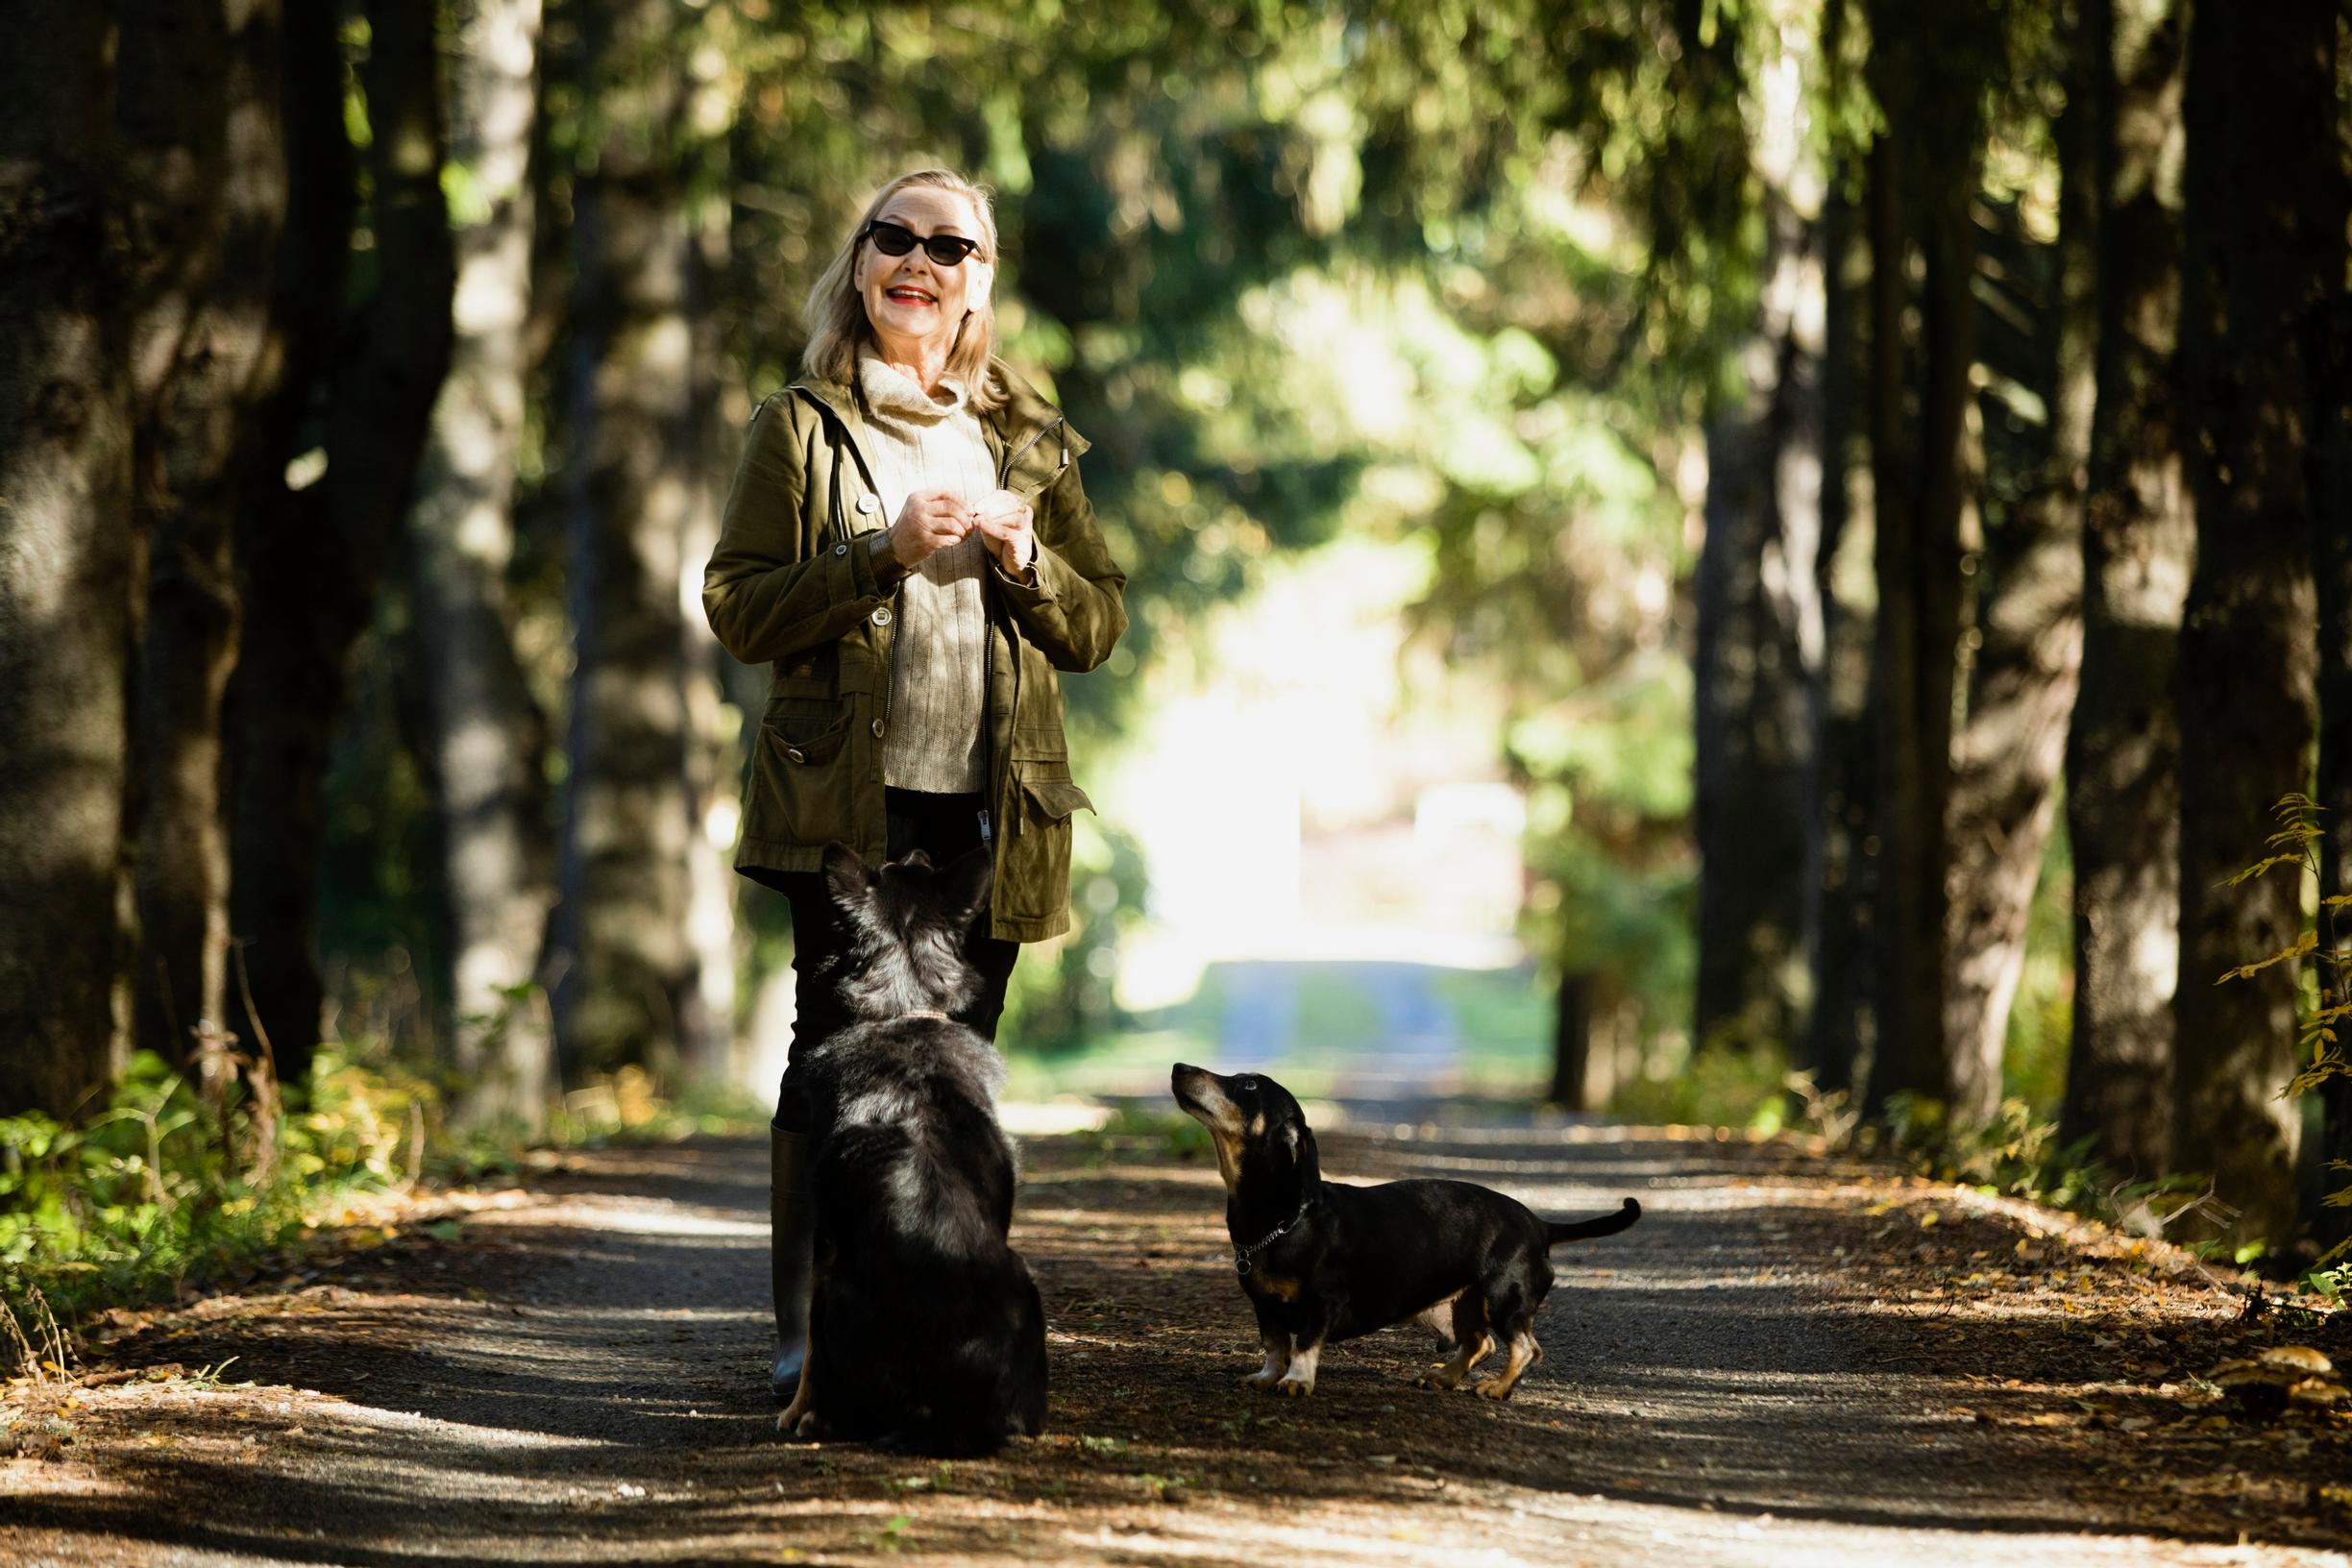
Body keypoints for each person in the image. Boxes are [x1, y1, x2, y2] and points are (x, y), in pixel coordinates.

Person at [702, 168, 1127, 1399]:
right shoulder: (800, 425)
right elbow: (738, 607)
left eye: (950, 246)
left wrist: (1029, 559)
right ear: (860, 264)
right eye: (894, 237)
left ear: (978, 283)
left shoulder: (1028, 436)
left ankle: (949, 1324)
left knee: (960, 1065)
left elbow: (1097, 625)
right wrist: (880, 552)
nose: (919, 261)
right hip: (845, 803)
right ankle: (811, 1339)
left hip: (992, 805)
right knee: (828, 1058)